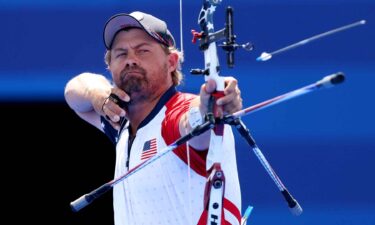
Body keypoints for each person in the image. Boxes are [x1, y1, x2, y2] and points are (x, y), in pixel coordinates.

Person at [64, 11, 243, 225]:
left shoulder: (176, 113)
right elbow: (74, 93)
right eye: (121, 53)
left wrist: (210, 105)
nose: (131, 60)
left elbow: (193, 124)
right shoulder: (120, 121)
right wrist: (98, 96)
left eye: (143, 51)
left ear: (172, 62)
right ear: (109, 66)